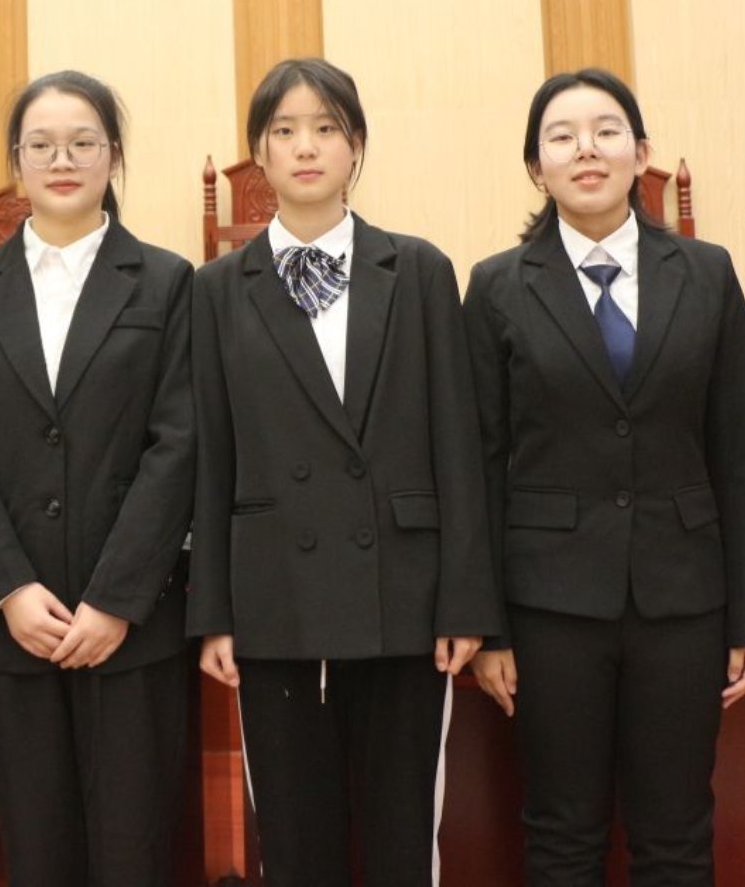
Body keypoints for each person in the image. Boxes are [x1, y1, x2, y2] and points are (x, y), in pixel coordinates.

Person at [189, 58, 499, 885]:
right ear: (258, 152)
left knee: (402, 839)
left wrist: (464, 601)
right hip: (273, 598)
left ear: (355, 145)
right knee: (293, 845)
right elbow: (210, 453)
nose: (306, 147)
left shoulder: (419, 270)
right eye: (284, 131)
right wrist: (212, 612)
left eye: (325, 128)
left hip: (404, 591)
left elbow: (457, 444)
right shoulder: (216, 290)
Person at [462, 68, 745, 885]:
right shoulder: (496, 286)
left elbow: (737, 451)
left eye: (605, 131)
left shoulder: (705, 273)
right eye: (561, 137)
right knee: (561, 833)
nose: (585, 150)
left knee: (676, 833)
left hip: (682, 596)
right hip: (548, 604)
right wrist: (487, 628)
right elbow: (479, 462)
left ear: (640, 154)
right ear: (535, 167)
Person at [0, 72, 195, 886]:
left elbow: (177, 445)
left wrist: (116, 598)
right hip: (15, 622)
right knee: (35, 850)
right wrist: (9, 587)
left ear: (113, 156)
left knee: (133, 852)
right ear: (16, 162)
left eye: (83, 143)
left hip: (132, 623)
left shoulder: (165, 281)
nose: (62, 160)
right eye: (40, 145)